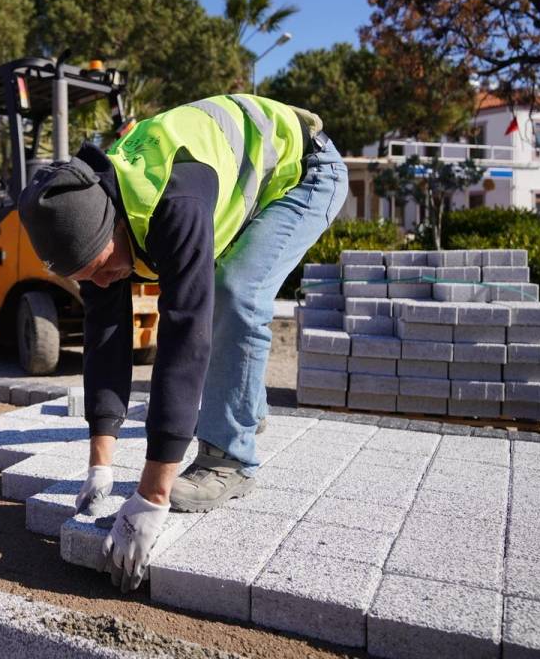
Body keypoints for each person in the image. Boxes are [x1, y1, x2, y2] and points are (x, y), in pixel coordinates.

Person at [18, 93, 347, 592]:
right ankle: (244, 408)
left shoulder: (174, 202)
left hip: (308, 172)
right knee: (216, 288)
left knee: (236, 292)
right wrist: (99, 462)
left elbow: (185, 337)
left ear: (114, 222)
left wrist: (152, 495)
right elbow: (106, 340)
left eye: (105, 266)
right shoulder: (91, 226)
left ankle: (230, 460)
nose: (104, 280)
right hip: (247, 186)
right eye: (90, 277)